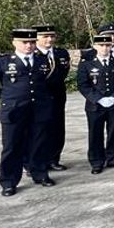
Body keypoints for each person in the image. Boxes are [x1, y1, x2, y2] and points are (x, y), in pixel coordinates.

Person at [0, 28, 56, 196]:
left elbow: (47, 83)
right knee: (12, 146)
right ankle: (8, 181)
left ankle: (40, 173)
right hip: (14, 110)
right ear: (14, 43)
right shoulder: (2, 62)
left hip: (38, 109)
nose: (29, 46)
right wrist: (7, 96)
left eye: (32, 42)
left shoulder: (42, 60)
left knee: (39, 143)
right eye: (25, 42)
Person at [77, 35, 114, 174]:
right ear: (95, 46)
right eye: (101, 45)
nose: (105, 48)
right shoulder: (86, 63)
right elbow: (83, 85)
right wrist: (99, 99)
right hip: (95, 106)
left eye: (108, 46)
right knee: (95, 134)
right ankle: (96, 161)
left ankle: (113, 158)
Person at [33, 25, 71, 172]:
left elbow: (63, 73)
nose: (49, 39)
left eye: (52, 36)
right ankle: (34, 162)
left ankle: (54, 159)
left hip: (57, 97)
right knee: (38, 131)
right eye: (45, 36)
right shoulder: (33, 55)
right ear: (36, 38)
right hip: (38, 99)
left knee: (57, 129)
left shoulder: (61, 53)